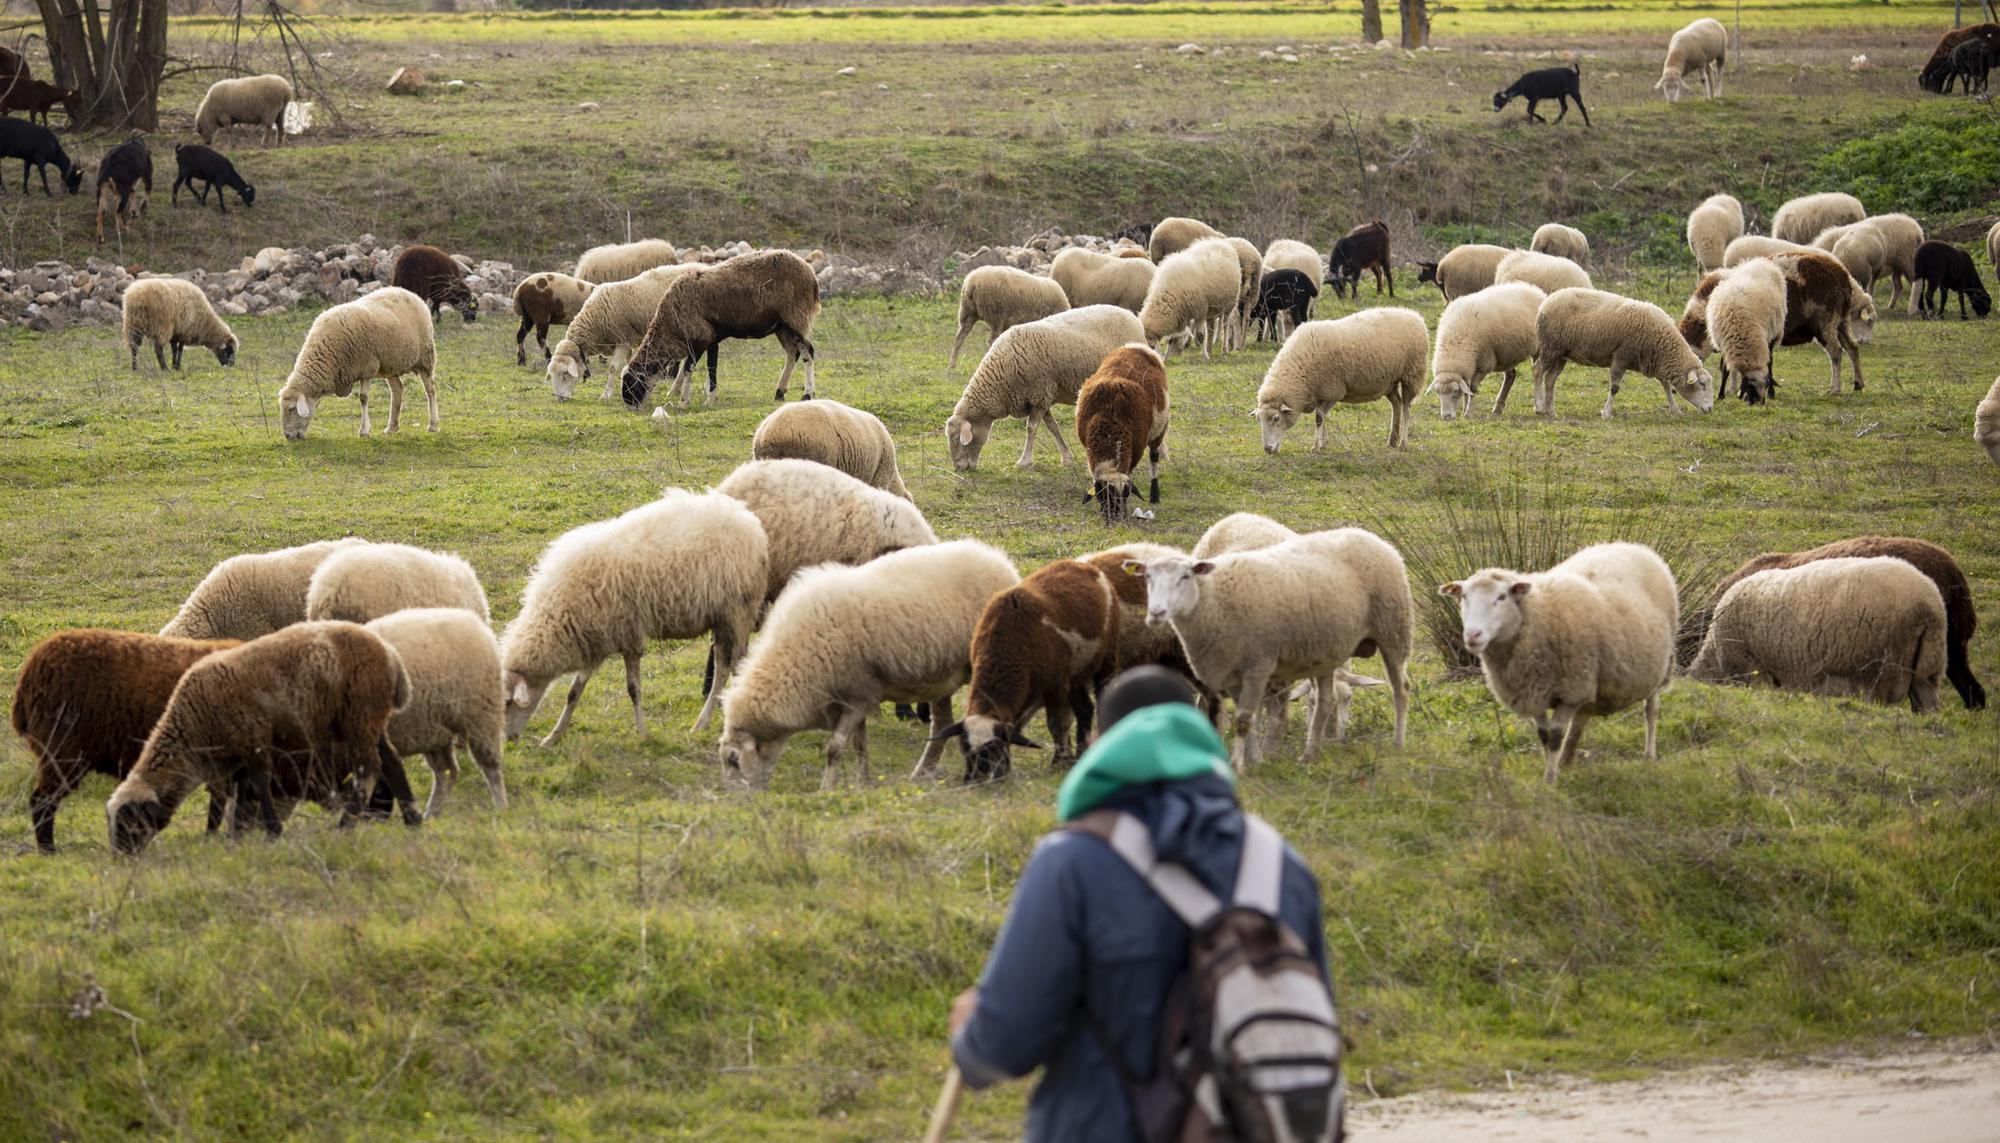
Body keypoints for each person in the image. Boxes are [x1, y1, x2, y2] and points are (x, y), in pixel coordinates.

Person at [947, 666, 1334, 1141]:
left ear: (1098, 745)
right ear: (1204, 741)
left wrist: (972, 1038)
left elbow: (1004, 1046)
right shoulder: (1282, 867)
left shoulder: (1072, 862)